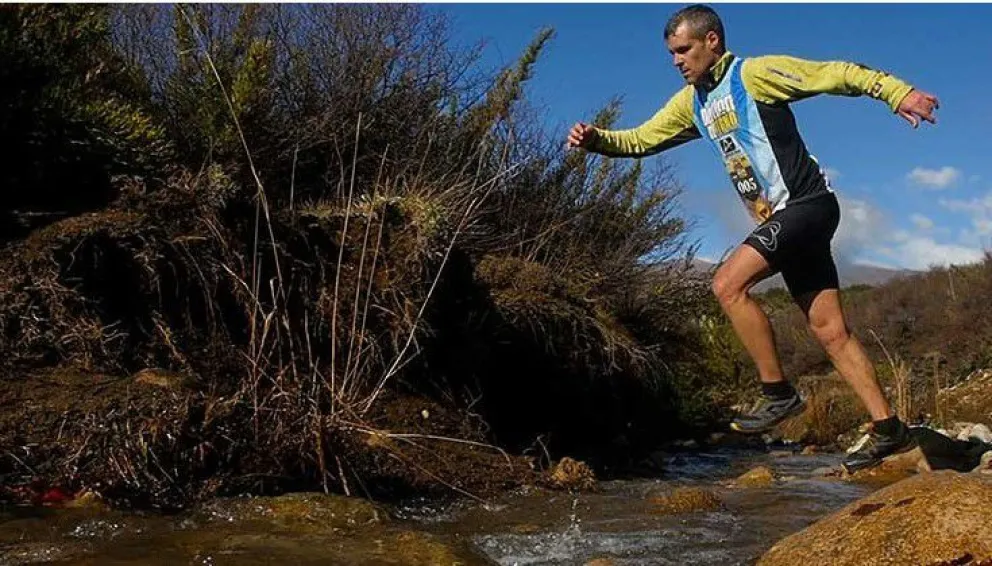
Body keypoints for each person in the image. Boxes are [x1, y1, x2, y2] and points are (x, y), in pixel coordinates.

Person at [567, 4, 939, 473]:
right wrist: (596, 139)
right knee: (830, 332)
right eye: (672, 54)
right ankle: (889, 428)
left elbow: (835, 73)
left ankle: (778, 393)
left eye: (684, 50)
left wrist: (896, 92)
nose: (677, 61)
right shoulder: (692, 103)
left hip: (808, 207)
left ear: (712, 42)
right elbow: (642, 140)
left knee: (726, 285)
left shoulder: (756, 75)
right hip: (789, 222)